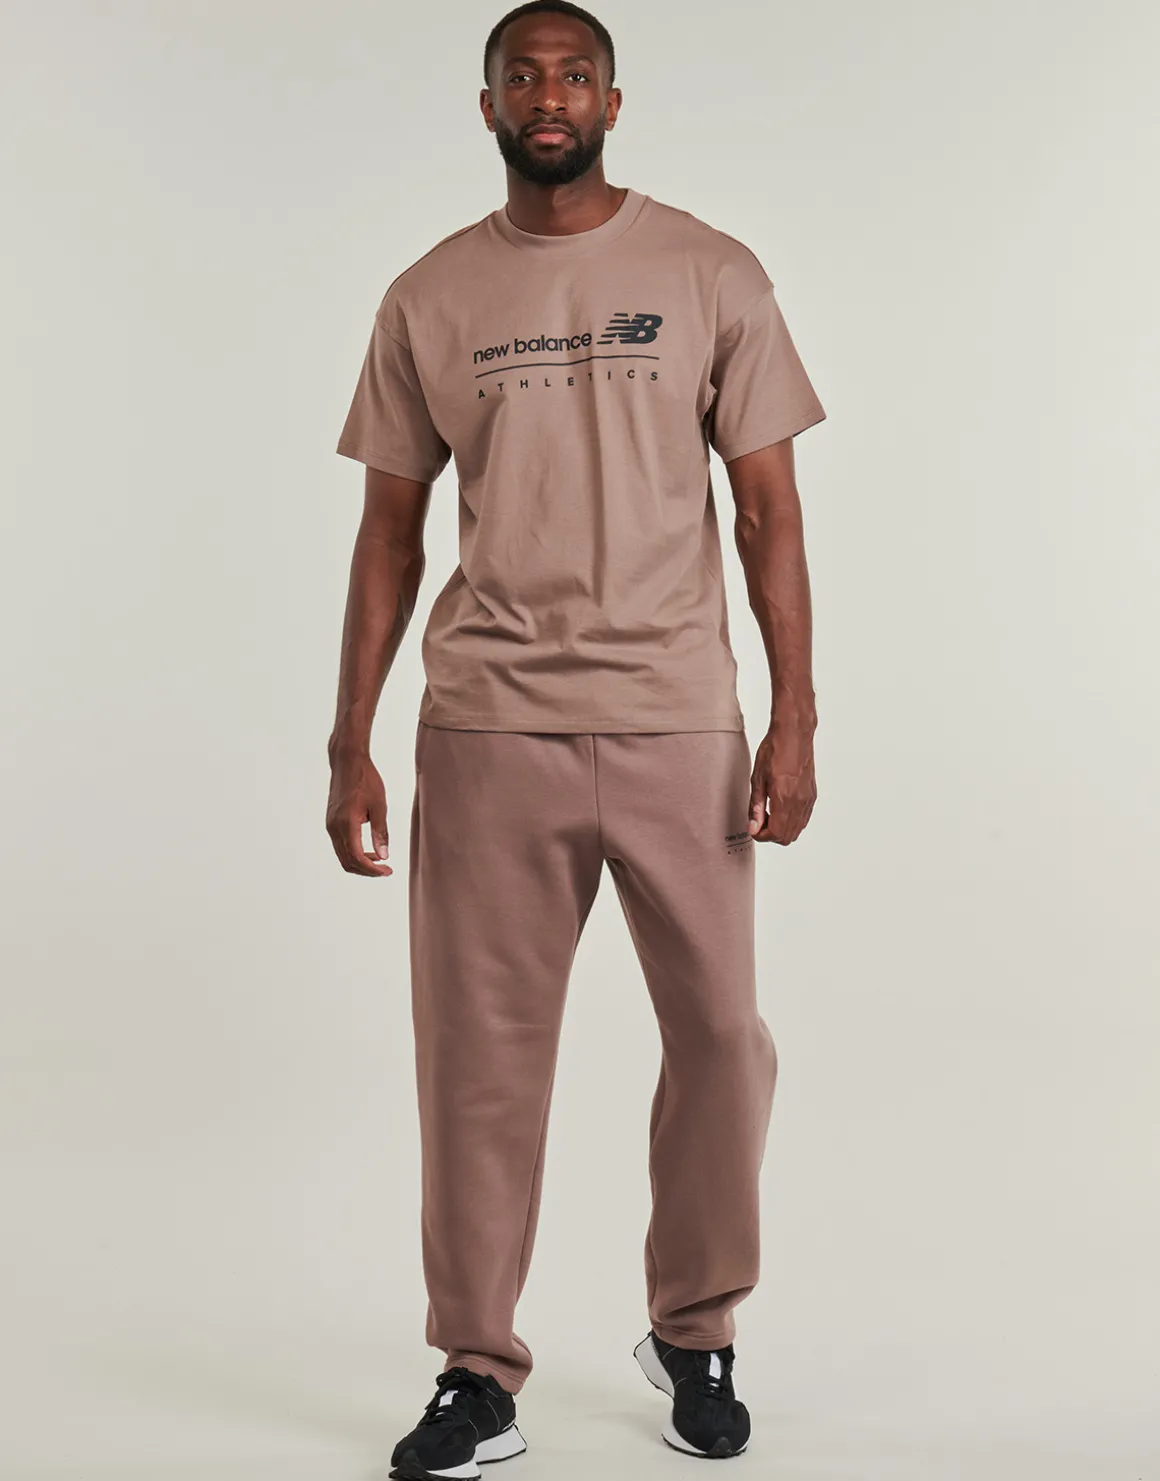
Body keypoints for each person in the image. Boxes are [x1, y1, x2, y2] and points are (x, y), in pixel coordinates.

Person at [326, 2, 826, 1475]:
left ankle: (696, 1331)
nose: (550, 94)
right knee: (478, 1063)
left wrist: (796, 715)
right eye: (523, 76)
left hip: (678, 717)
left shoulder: (711, 270)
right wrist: (349, 738)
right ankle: (476, 1370)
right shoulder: (428, 295)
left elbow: (770, 511)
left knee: (723, 1041)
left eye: (575, 73)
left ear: (613, 99)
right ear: (486, 106)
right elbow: (387, 534)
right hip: (489, 724)